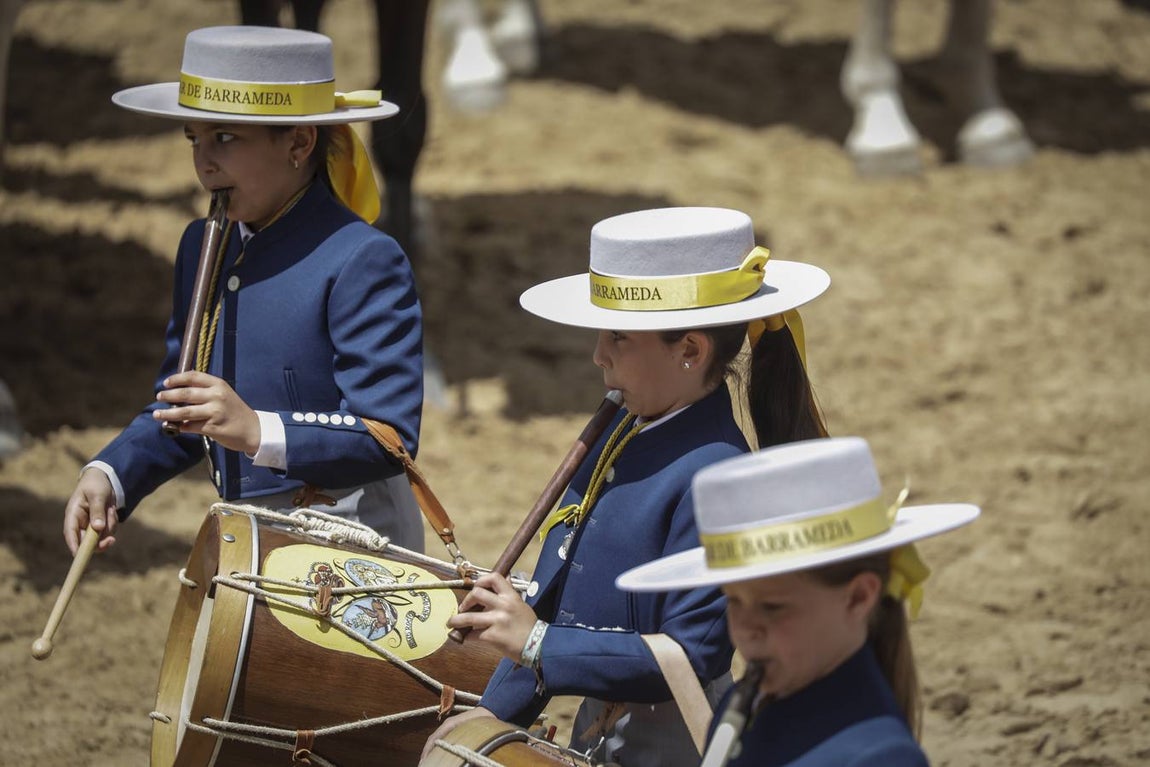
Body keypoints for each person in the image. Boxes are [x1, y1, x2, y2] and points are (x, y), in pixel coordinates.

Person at [422, 206, 832, 766]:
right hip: (601, 726)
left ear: (690, 351)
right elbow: (553, 596)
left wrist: (538, 645)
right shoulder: (622, 429)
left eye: (618, 337)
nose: (598, 356)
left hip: (679, 741)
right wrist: (496, 713)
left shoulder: (721, 475)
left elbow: (693, 651)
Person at [62, 26, 425, 556]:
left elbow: (387, 438)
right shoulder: (200, 245)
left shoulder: (362, 257)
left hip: (354, 542)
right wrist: (110, 473)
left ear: (299, 143)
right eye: (194, 138)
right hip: (245, 537)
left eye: (226, 138)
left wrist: (256, 429)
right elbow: (181, 409)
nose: (204, 161)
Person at [616, 436, 982, 766]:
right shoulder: (741, 709)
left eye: (772, 607)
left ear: (858, 598)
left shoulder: (880, 757)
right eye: (733, 601)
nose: (745, 628)